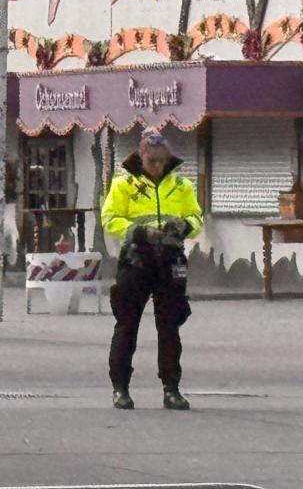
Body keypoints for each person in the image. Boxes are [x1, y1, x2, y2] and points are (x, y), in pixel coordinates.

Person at [101, 131, 203, 411]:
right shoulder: (124, 184)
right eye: (151, 160)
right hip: (137, 259)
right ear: (141, 156)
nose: (157, 166)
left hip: (169, 259)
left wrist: (185, 226)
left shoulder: (181, 185)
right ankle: (120, 389)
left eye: (161, 160)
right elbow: (110, 218)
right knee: (127, 324)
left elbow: (196, 216)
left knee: (170, 326)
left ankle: (172, 389)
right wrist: (139, 231)